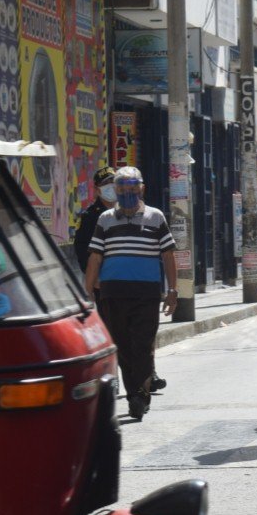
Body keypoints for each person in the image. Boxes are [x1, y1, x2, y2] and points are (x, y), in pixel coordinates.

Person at [84, 167, 177, 421]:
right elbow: (95, 256)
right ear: (116, 190)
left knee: (143, 345)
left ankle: (140, 395)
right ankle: (134, 392)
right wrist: (88, 291)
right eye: (122, 188)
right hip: (113, 293)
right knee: (123, 346)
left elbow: (168, 255)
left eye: (132, 187)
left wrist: (173, 290)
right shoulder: (104, 219)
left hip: (146, 293)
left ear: (141, 188)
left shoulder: (156, 217)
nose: (127, 192)